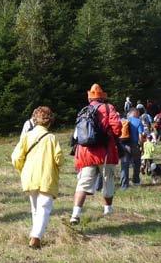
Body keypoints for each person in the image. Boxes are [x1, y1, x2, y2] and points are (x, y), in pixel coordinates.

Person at [12, 106, 64, 249]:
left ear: (34, 120)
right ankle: (36, 237)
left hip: (29, 176)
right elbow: (59, 159)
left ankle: (34, 234)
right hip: (47, 177)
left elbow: (16, 157)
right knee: (44, 207)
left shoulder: (26, 136)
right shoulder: (52, 138)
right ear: (49, 121)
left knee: (35, 208)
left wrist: (22, 169)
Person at [70, 84, 122, 225]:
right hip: (105, 152)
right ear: (102, 97)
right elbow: (117, 129)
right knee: (108, 181)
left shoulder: (83, 111)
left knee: (82, 184)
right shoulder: (108, 108)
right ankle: (108, 210)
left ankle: (75, 214)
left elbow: (77, 134)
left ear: (90, 97)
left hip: (86, 153)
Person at [120, 108, 144, 189]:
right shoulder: (138, 121)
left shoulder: (122, 121)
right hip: (134, 145)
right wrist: (141, 146)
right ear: (135, 113)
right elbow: (140, 136)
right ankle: (136, 181)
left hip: (123, 145)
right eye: (138, 114)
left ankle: (124, 186)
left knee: (124, 165)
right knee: (137, 164)